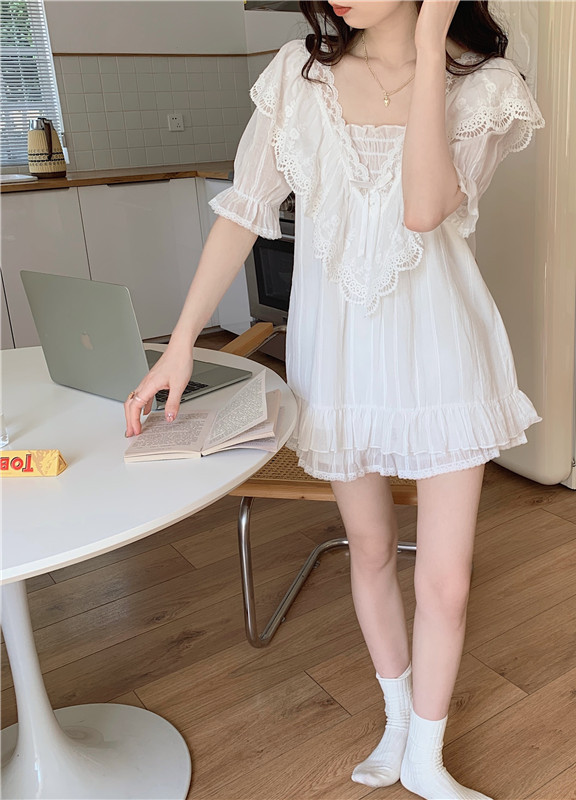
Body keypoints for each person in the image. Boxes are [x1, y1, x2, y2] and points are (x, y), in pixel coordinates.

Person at [124, 1, 545, 797]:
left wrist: (430, 45)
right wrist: (179, 343)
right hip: (342, 362)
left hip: (442, 358)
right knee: (371, 549)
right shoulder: (300, 74)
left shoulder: (485, 86)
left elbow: (424, 208)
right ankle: (397, 721)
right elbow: (242, 212)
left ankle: (427, 758)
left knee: (447, 580)